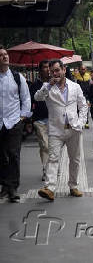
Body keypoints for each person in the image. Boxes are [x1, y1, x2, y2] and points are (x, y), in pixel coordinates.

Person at [35, 60, 88, 201]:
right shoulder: (47, 87)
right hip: (55, 130)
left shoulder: (75, 86)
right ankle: (49, 188)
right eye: (52, 71)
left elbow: (83, 105)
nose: (55, 73)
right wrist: (48, 86)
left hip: (73, 129)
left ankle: (73, 186)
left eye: (57, 70)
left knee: (75, 160)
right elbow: (37, 97)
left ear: (64, 70)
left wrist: (81, 122)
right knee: (53, 158)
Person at [0, 45, 32, 203]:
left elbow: (26, 98)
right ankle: (4, 185)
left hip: (13, 121)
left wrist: (22, 117)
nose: (5, 57)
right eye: (1, 55)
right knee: (1, 156)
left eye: (6, 54)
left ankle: (12, 188)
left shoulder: (17, 77)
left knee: (13, 155)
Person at [29, 60, 50, 181]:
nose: (48, 70)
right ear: (40, 70)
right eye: (45, 67)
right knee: (44, 145)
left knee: (52, 146)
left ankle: (52, 167)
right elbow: (31, 101)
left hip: (53, 119)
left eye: (49, 67)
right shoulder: (34, 85)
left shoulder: (55, 83)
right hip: (39, 120)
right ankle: (45, 169)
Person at [74, 64, 91, 129]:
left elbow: (90, 87)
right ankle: (79, 121)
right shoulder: (76, 77)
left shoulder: (88, 76)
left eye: (84, 69)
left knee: (86, 108)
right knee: (78, 109)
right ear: (79, 69)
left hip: (86, 95)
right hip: (78, 95)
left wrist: (89, 97)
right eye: (82, 69)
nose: (83, 70)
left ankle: (86, 122)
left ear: (86, 70)